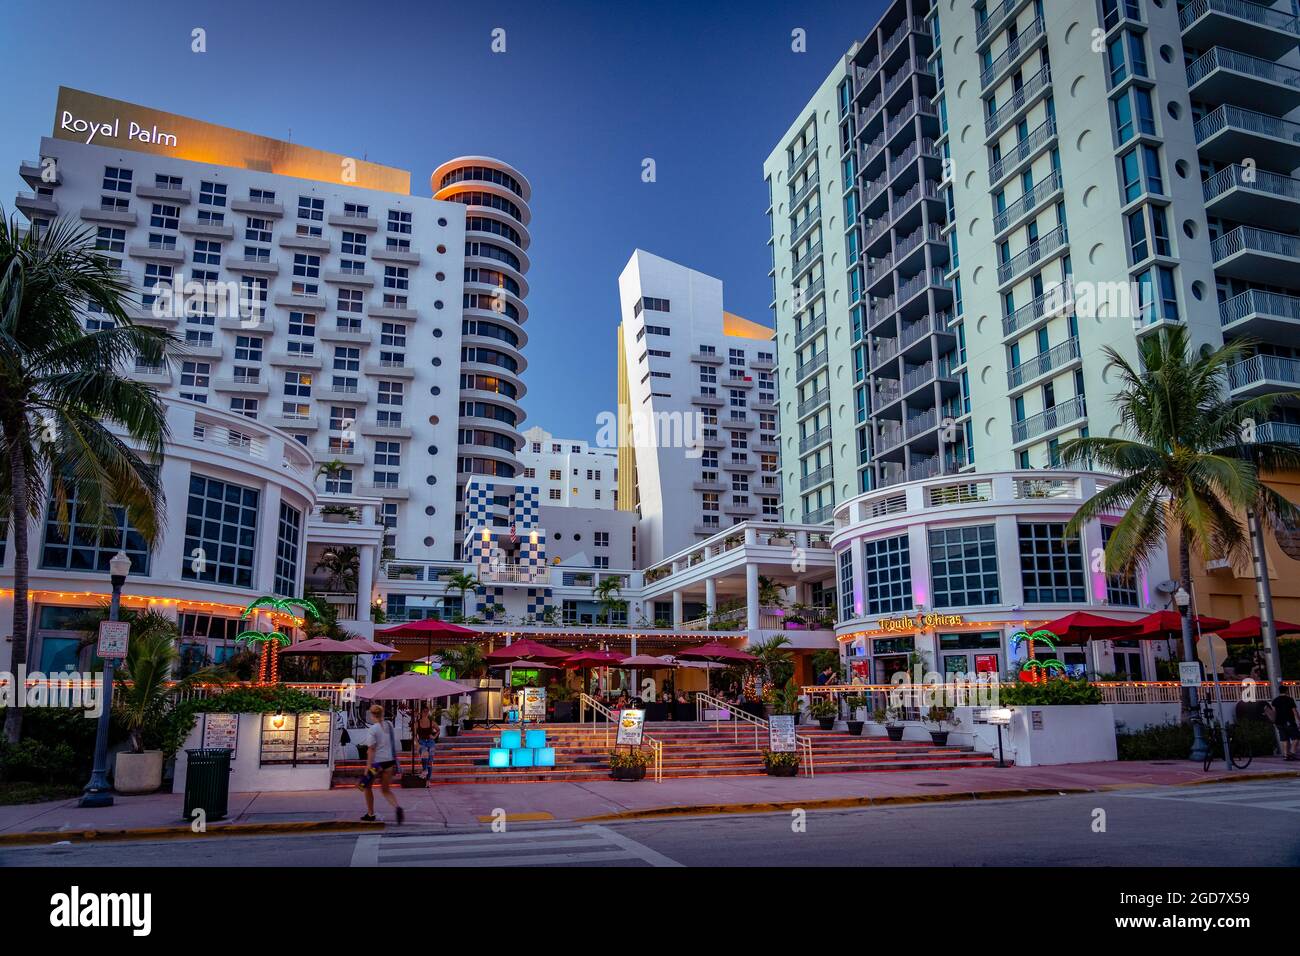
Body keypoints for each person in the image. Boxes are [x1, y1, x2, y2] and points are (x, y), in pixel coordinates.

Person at [358, 704, 405, 823]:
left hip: (377, 764)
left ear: (372, 715)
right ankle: (397, 807)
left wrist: (368, 766)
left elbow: (371, 749)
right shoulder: (389, 725)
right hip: (389, 762)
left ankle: (370, 813)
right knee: (385, 790)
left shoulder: (373, 729)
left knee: (366, 786)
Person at [1267, 688, 1299, 761]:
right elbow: (1294, 711)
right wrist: (1298, 720)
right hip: (1289, 722)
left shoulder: (1275, 700)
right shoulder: (1290, 699)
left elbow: (1274, 712)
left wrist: (1274, 721)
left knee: (1285, 739)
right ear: (1287, 691)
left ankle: (1285, 755)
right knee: (1296, 737)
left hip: (1279, 723)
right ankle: (1291, 753)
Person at [414, 703, 440, 781]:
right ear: (421, 712)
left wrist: (434, 736)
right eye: (424, 711)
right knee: (424, 757)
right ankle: (425, 770)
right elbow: (414, 736)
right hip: (422, 741)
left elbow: (438, 730)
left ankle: (428, 781)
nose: (425, 713)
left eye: (427, 711)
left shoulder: (431, 722)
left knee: (430, 761)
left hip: (430, 742)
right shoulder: (417, 723)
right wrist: (417, 744)